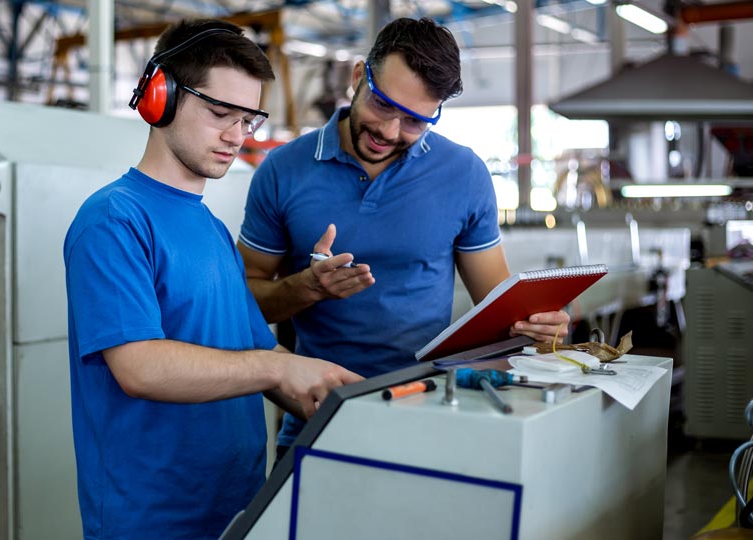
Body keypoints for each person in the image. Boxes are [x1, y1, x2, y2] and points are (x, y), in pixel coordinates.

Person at [63, 19, 362, 540]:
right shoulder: (114, 220)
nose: (236, 136)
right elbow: (139, 367)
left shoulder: (211, 230)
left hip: (239, 507)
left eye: (248, 119)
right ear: (161, 97)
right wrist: (275, 369)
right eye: (220, 113)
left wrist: (354, 401)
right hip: (153, 520)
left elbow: (254, 352)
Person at [236, 17, 570, 456]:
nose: (390, 132)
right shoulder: (283, 171)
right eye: (382, 105)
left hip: (432, 413)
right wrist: (306, 288)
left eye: (415, 121)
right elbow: (241, 302)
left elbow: (498, 313)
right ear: (359, 77)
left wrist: (539, 328)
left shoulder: (463, 174)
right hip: (319, 416)